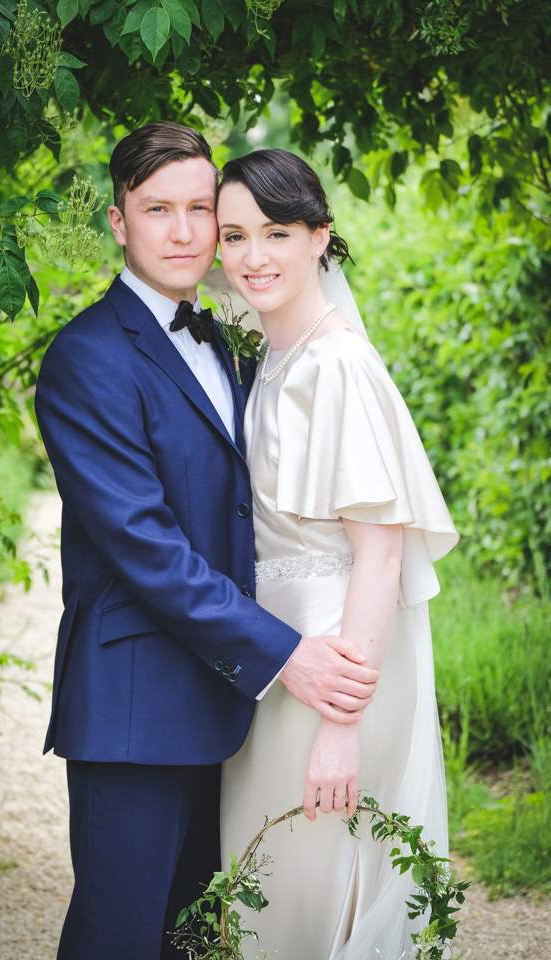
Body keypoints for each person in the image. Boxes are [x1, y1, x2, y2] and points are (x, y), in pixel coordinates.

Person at [34, 123, 379, 960]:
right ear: (120, 223)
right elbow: (145, 545)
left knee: (195, 937)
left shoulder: (219, 336)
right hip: (134, 704)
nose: (184, 232)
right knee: (118, 936)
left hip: (222, 704)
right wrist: (286, 652)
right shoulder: (86, 357)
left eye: (200, 210)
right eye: (158, 210)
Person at [217, 149, 459, 960]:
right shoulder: (275, 357)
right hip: (281, 659)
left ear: (320, 237)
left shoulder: (339, 365)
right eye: (235, 234)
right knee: (277, 893)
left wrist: (340, 728)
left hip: (338, 670)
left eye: (277, 232)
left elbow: (381, 559)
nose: (253, 256)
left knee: (321, 895)